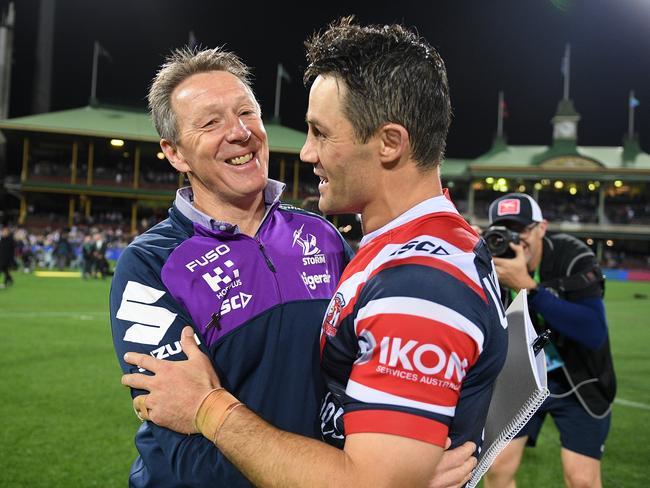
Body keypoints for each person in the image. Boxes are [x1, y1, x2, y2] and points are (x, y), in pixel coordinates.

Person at [122, 18, 507, 488]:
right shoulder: (152, 263)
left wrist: (387, 473)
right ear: (175, 153)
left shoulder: (329, 239)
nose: (240, 132)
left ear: (390, 143)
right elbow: (177, 434)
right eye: (210, 122)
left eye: (247, 113)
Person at [482, 193, 616, 488]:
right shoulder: (487, 263)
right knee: (497, 469)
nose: (514, 239)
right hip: (521, 377)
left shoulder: (572, 256)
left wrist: (529, 287)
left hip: (579, 379)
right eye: (503, 230)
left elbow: (594, 330)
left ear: (542, 227)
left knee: (581, 479)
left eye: (521, 229)